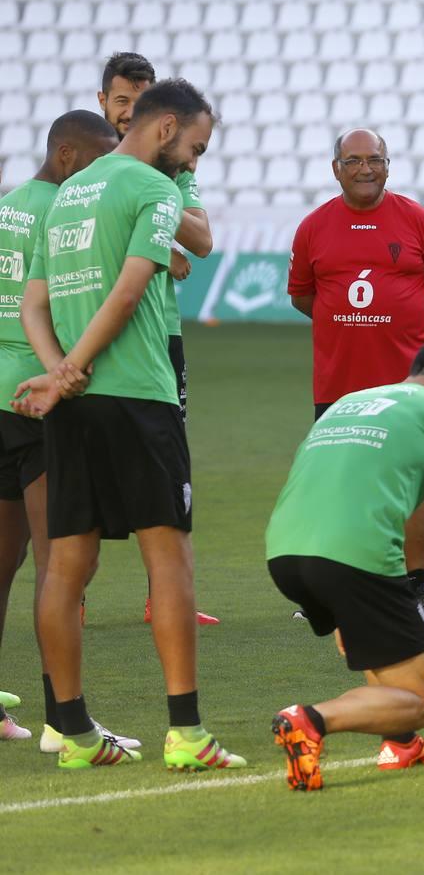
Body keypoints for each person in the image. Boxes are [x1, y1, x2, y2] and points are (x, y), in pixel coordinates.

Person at [14, 78, 244, 771]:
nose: (195, 163)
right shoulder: (153, 189)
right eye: (196, 147)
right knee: (168, 556)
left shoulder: (69, 195)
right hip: (139, 396)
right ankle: (186, 734)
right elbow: (133, 285)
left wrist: (59, 373)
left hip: (75, 404)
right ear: (166, 127)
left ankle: (76, 734)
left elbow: (33, 303)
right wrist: (72, 368)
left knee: (65, 567)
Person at [267, 342, 424, 791]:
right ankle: (309, 721)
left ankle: (401, 743)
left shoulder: (350, 401)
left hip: (284, 552)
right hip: (352, 558)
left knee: (388, 647)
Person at [287, 127, 424, 624]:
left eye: (373, 159)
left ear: (388, 163)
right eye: (353, 160)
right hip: (338, 382)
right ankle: (334, 588)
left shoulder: (417, 221)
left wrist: (395, 324)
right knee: (335, 486)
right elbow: (303, 296)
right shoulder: (313, 227)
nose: (364, 168)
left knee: (412, 488)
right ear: (335, 167)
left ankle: (417, 586)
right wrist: (348, 324)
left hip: (407, 386)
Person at [0, 111, 118, 742]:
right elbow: (66, 305)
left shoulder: (9, 204)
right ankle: (61, 719)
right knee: (60, 564)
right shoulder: (64, 213)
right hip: (38, 399)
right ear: (68, 156)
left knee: (3, 563)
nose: (103, 174)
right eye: (99, 161)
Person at [97, 51, 220, 628]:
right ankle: (72, 595)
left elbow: (201, 239)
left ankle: (164, 597)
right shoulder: (84, 158)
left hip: (159, 333)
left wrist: (158, 225)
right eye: (120, 100)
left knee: (169, 469)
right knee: (78, 474)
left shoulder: (174, 168)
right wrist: (157, 240)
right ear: (103, 102)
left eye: (135, 102)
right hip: (94, 326)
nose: (126, 111)